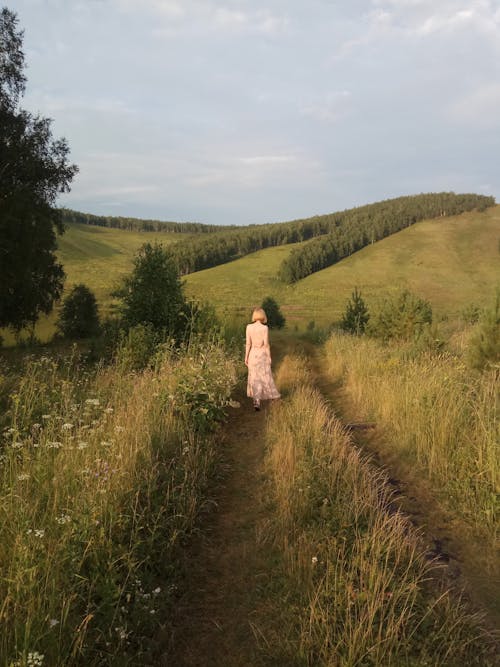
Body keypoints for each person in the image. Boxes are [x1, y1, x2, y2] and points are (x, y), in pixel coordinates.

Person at [245, 307, 280, 411]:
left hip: (252, 354)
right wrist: (269, 357)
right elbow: (266, 345)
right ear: (263, 315)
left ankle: (256, 401)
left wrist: (246, 356)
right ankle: (272, 396)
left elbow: (248, 343)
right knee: (265, 375)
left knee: (254, 377)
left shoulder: (249, 327)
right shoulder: (264, 328)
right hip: (262, 354)